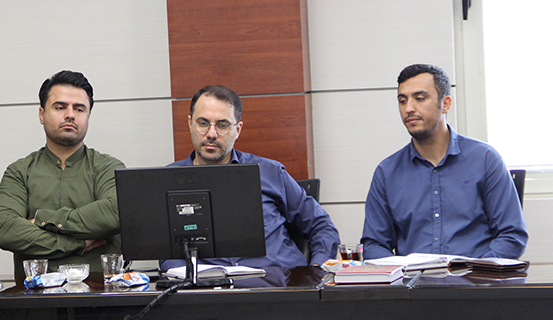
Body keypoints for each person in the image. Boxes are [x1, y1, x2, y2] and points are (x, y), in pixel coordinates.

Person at [165, 85, 340, 271]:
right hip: (209, 286)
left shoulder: (270, 172)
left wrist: (316, 271)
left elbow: (322, 227)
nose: (211, 134)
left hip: (281, 282)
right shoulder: (168, 181)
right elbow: (163, 249)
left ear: (238, 130)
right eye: (203, 123)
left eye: (222, 125)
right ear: (190, 124)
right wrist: (181, 274)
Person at [361, 64, 528, 259]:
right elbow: (374, 244)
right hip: (412, 277)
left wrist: (479, 271)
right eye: (402, 100)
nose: (408, 108)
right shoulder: (387, 172)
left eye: (419, 98)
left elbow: (511, 236)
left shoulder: (484, 159)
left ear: (446, 103)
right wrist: (398, 271)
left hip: (476, 275)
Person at [0, 70, 125, 280]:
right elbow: (5, 229)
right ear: (41, 114)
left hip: (99, 293)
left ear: (88, 116)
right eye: (60, 107)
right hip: (34, 295)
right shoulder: (19, 172)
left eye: (79, 109)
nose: (70, 114)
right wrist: (77, 243)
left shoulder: (108, 168)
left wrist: (42, 220)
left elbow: (114, 213)